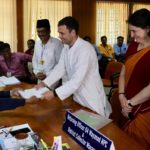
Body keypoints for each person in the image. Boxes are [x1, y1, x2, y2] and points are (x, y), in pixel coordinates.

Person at [36, 16, 111, 117]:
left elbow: (76, 80)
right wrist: (44, 83)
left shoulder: (85, 49)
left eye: (62, 33)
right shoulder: (66, 47)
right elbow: (60, 68)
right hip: (78, 97)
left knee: (94, 128)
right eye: (59, 33)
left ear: (73, 32)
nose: (59, 36)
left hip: (91, 98)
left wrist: (54, 93)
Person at [118, 8, 150, 149]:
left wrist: (130, 104)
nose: (131, 35)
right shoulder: (132, 47)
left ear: (148, 29)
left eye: (135, 31)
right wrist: (120, 96)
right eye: (130, 31)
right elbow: (123, 72)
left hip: (143, 109)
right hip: (125, 103)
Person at [32, 19, 63, 84]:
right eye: (38, 31)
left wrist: (47, 74)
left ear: (49, 31)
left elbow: (60, 64)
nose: (40, 34)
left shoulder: (57, 44)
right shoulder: (37, 44)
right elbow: (34, 60)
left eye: (42, 31)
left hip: (53, 79)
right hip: (40, 78)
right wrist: (37, 72)